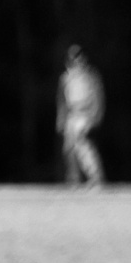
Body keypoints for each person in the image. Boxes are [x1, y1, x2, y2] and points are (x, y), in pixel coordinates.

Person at [57, 44, 105, 189]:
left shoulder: (91, 75)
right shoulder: (66, 77)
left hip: (86, 114)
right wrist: (61, 118)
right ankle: (74, 179)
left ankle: (96, 178)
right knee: (68, 148)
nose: (77, 59)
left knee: (82, 144)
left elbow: (98, 96)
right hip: (72, 114)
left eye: (79, 56)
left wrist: (96, 115)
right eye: (74, 56)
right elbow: (62, 100)